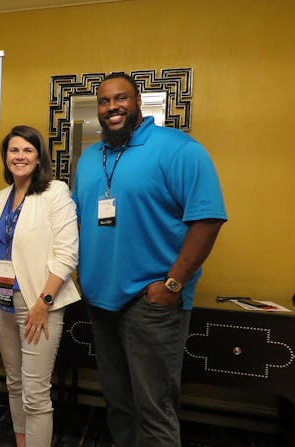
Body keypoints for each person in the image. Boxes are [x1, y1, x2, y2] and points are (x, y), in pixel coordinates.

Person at [72, 72, 227, 446]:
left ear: (138, 101)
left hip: (151, 302)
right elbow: (77, 221)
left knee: (154, 409)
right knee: (118, 404)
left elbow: (207, 219)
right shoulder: (91, 158)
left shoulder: (179, 149)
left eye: (121, 98)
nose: (113, 107)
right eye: (105, 101)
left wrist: (172, 284)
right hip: (100, 302)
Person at [0, 125, 81, 447]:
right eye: (14, 150)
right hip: (2, 304)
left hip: (38, 305)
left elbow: (67, 253)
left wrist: (43, 302)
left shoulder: (54, 192)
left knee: (35, 394)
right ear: (5, 157)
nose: (20, 156)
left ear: (38, 156)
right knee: (13, 385)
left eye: (27, 150)